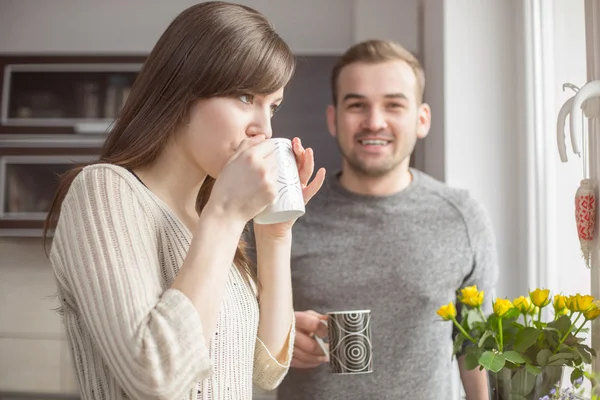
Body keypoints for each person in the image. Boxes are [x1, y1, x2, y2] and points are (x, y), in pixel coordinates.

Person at [43, 2, 325, 399]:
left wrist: (274, 232)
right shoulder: (103, 191)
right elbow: (155, 376)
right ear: (183, 90)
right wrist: (226, 216)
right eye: (246, 97)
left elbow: (266, 370)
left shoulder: (207, 220)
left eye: (273, 106)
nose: (264, 128)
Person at [276, 39, 499, 400]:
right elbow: (236, 323)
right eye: (357, 105)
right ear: (333, 119)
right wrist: (273, 336)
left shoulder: (462, 216)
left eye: (393, 105)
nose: (374, 122)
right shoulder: (288, 215)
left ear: (421, 119)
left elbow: (475, 345)